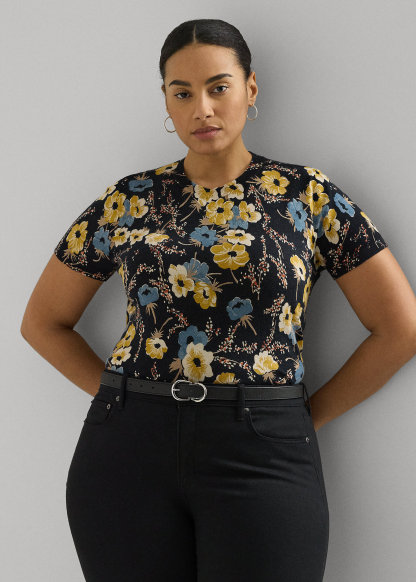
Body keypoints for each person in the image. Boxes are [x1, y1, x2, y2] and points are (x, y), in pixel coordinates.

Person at [20, 17, 416, 582]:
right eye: (182, 93)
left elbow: (401, 328)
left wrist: (304, 416)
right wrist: (123, 403)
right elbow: (42, 321)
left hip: (264, 450)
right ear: (166, 100)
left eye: (218, 87)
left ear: (250, 89)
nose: (202, 108)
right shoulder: (129, 200)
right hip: (128, 454)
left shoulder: (307, 195)